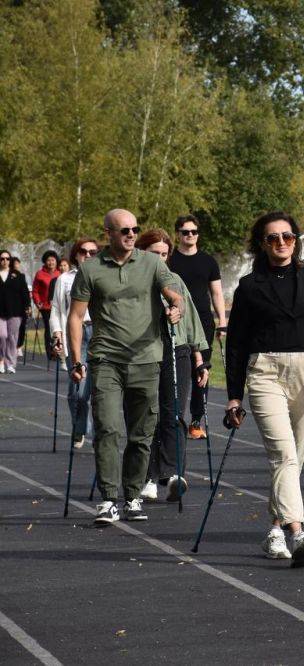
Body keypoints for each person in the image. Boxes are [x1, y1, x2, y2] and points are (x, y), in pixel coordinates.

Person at [225, 211, 304, 568]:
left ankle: (275, 530)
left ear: (296, 241)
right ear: (261, 244)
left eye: (288, 237)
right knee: (283, 454)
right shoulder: (249, 287)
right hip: (265, 372)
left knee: (292, 458)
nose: (281, 243)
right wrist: (234, 395)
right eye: (272, 238)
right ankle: (299, 531)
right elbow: (235, 345)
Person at [67, 209, 184, 525]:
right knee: (107, 428)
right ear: (108, 233)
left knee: (141, 433)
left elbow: (175, 295)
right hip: (106, 360)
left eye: (134, 229)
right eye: (124, 230)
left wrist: (176, 307)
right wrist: (76, 359)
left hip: (147, 360)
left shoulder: (152, 263)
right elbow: (76, 317)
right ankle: (107, 499)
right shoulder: (91, 270)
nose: (131, 235)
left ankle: (132, 496)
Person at [134, 229, 210, 503]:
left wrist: (200, 360)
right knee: (148, 414)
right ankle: (149, 476)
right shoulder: (134, 280)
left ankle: (174, 473)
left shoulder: (175, 280)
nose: (160, 259)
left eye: (164, 254)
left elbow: (191, 321)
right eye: (155, 254)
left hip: (176, 350)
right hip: (143, 353)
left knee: (175, 412)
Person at [168, 214, 228, 440]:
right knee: (177, 369)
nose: (190, 235)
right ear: (178, 234)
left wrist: (222, 322)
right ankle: (175, 418)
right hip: (175, 319)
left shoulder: (208, 261)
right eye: (185, 232)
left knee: (201, 371)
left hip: (203, 322)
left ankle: (195, 420)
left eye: (193, 232)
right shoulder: (171, 260)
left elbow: (216, 293)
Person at [50, 239, 101, 447]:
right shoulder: (64, 279)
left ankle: (100, 433)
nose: (87, 256)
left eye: (92, 252)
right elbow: (56, 309)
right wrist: (57, 333)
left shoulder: (102, 276)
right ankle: (80, 426)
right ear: (76, 254)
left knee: (98, 388)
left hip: (99, 333)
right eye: (83, 252)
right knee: (77, 391)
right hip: (76, 334)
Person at [0, 250, 31, 374]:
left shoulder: (18, 275)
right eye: (2, 259)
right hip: (0, 311)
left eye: (7, 259)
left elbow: (24, 293)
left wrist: (27, 306)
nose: (5, 261)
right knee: (2, 336)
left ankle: (11, 364)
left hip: (15, 311)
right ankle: (1, 360)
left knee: (12, 338)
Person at [32, 250, 61, 355]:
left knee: (59, 328)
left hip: (59, 306)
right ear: (45, 262)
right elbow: (35, 291)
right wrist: (38, 302)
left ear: (56, 261)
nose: (51, 263)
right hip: (46, 307)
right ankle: (50, 351)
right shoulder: (40, 274)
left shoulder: (60, 273)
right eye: (48, 260)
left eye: (53, 260)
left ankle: (59, 350)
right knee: (49, 328)